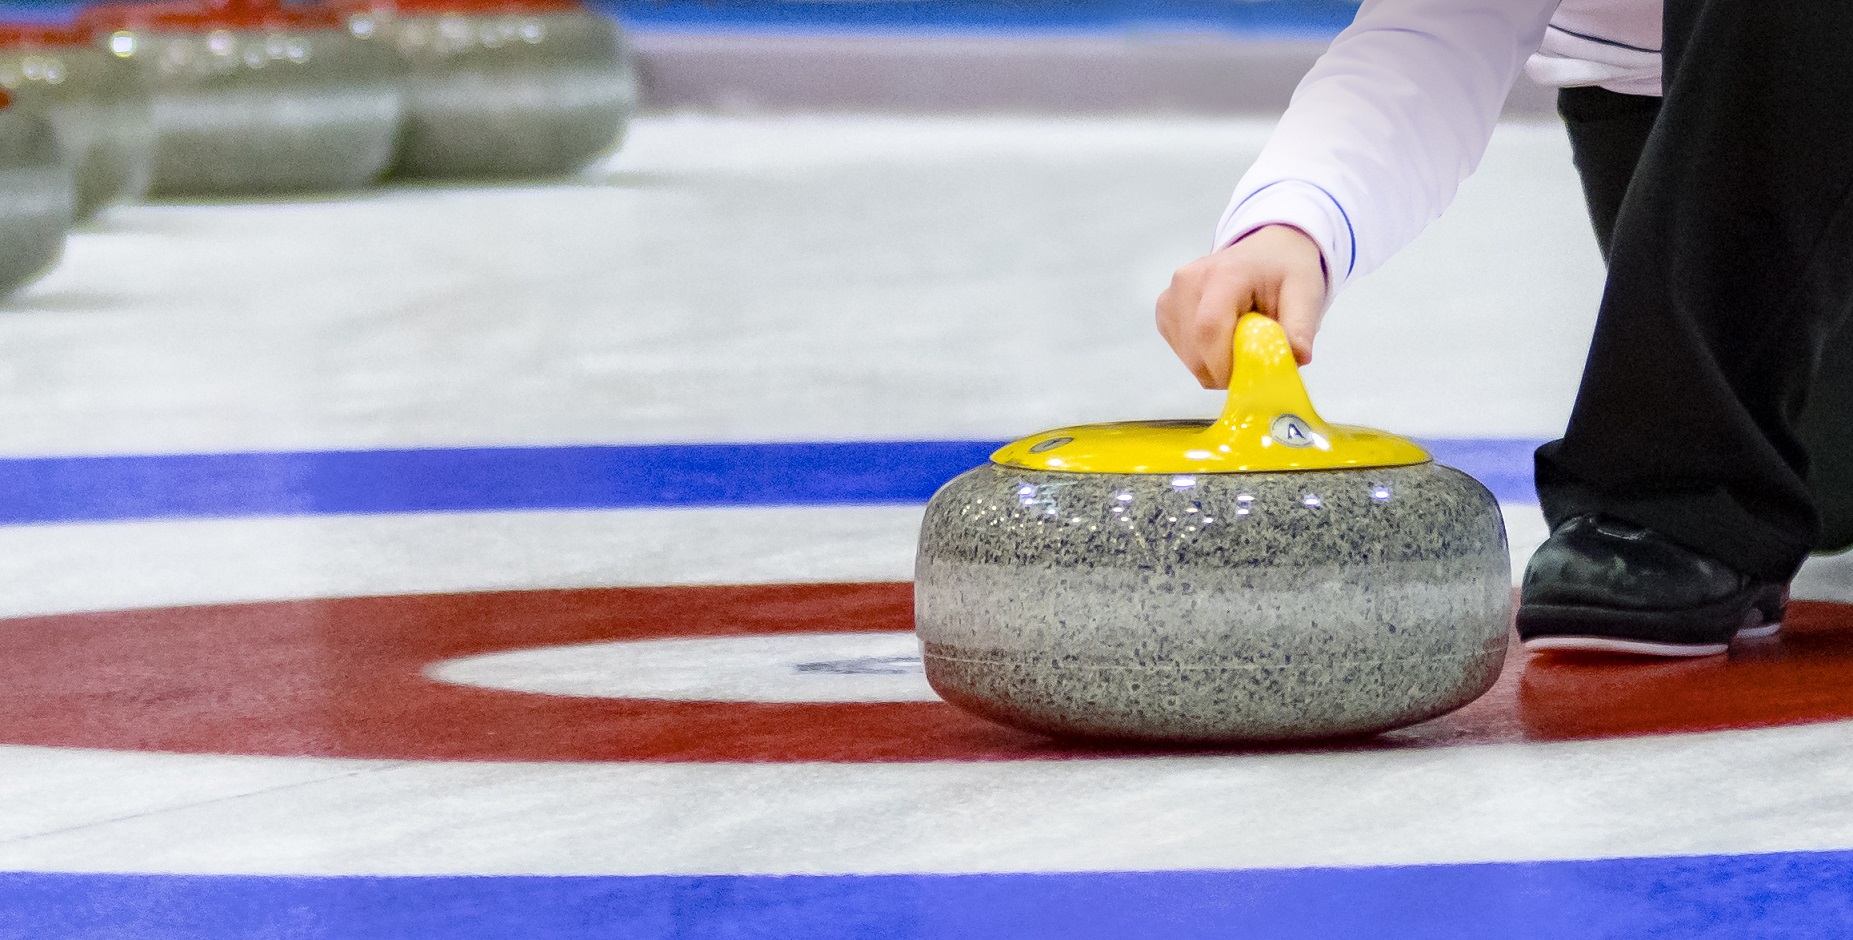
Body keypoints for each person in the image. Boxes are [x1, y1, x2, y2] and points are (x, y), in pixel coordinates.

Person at [1155, 0, 1853, 658]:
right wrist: (1291, 222)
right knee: (1824, 472)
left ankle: (1680, 486)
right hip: (1696, 125)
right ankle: (1703, 471)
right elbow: (1440, 30)